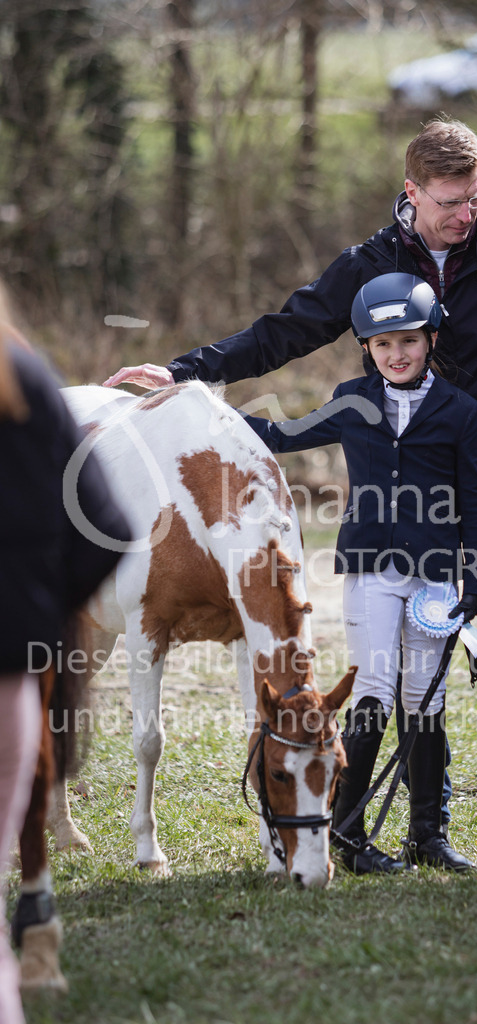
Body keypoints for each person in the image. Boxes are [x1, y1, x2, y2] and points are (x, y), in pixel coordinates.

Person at [103, 116, 477, 867]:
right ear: (411, 192)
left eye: (472, 198)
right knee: (408, 680)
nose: (464, 213)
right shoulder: (371, 262)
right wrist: (186, 371)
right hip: (408, 517)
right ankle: (399, 830)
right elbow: (287, 330)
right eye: (448, 201)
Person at [240, 272, 477, 873]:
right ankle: (348, 837)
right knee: (374, 692)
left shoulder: (461, 410)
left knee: (424, 700)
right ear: (367, 350)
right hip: (371, 568)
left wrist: (475, 575)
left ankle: (427, 834)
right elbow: (284, 434)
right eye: (382, 345)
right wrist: (212, 418)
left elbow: (476, 500)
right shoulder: (353, 399)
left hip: (433, 575)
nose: (395, 355)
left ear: (430, 339)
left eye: (407, 342)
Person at [0, 284, 130, 1023]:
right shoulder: (25, 380)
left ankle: (37, 891)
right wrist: (37, 622)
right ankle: (36, 907)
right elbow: (105, 527)